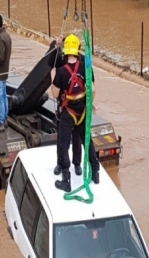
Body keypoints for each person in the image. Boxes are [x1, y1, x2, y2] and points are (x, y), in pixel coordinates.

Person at [51, 34, 100, 192]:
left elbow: (55, 94)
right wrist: (90, 104)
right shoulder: (86, 66)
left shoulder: (61, 71)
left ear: (66, 51)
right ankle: (95, 173)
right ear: (78, 49)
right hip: (83, 110)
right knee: (87, 141)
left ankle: (66, 179)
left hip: (68, 111)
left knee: (64, 144)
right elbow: (91, 88)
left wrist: (54, 79)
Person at [46, 36, 83, 177]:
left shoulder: (80, 59)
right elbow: (50, 62)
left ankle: (77, 163)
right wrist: (55, 45)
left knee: (76, 136)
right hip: (64, 102)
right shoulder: (60, 56)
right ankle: (60, 163)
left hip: (77, 104)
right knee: (62, 138)